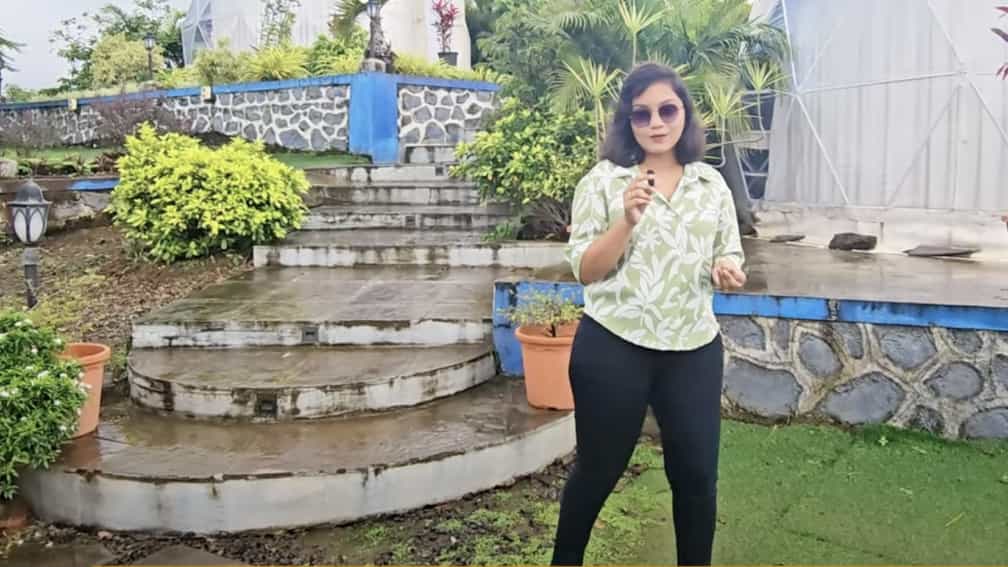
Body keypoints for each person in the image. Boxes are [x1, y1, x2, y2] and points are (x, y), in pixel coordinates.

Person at [551, 62, 747, 566]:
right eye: (642, 114)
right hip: (614, 345)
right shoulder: (603, 181)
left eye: (667, 110)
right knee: (598, 471)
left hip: (693, 349)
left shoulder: (711, 185)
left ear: (684, 114)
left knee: (697, 477)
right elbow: (587, 270)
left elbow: (729, 252)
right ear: (628, 120)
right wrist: (627, 220)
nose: (656, 123)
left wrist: (727, 269)